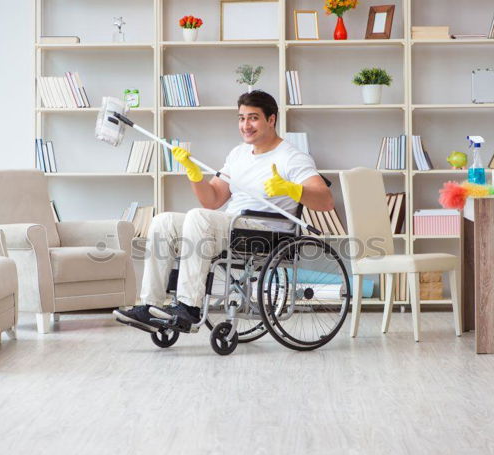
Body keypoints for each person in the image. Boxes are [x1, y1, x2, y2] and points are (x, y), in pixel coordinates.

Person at [114, 90, 334, 331]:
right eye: (241, 118)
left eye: (253, 118)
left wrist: (292, 189)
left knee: (199, 217)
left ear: (271, 119)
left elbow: (325, 201)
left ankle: (188, 308)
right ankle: (149, 305)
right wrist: (193, 174)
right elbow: (213, 199)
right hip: (233, 226)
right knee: (163, 221)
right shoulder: (238, 153)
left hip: (267, 232)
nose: (245, 125)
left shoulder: (292, 157)